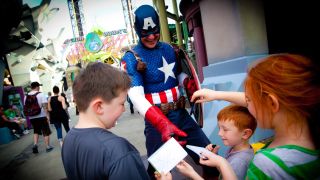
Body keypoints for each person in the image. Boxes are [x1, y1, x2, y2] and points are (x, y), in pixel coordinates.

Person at [121, 4, 216, 179]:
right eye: (145, 33)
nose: (151, 36)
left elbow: (178, 73)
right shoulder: (131, 57)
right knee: (159, 171)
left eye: (154, 31)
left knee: (208, 157)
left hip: (181, 114)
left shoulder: (169, 49)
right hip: (157, 121)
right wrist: (161, 123)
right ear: (137, 30)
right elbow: (135, 96)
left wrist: (187, 82)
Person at [189, 54, 320, 179]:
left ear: (271, 103)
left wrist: (220, 164)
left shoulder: (266, 164)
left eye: (249, 100)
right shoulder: (309, 140)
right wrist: (216, 95)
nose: (247, 105)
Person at [61, 62, 149, 179]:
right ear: (99, 107)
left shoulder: (68, 140)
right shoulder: (119, 151)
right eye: (122, 103)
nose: (123, 109)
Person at [171, 104, 257, 180]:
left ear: (245, 133)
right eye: (219, 128)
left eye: (225, 130)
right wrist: (215, 158)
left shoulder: (239, 162)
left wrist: (192, 174)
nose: (219, 133)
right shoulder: (237, 149)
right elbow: (226, 173)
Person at [25, 82, 53, 153]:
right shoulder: (41, 94)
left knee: (36, 131)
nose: (39, 88)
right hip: (41, 116)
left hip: (32, 117)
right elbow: (45, 107)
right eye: (39, 86)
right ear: (37, 87)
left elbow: (26, 107)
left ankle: (35, 145)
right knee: (45, 131)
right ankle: (47, 146)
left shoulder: (26, 96)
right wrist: (47, 116)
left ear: (31, 87)